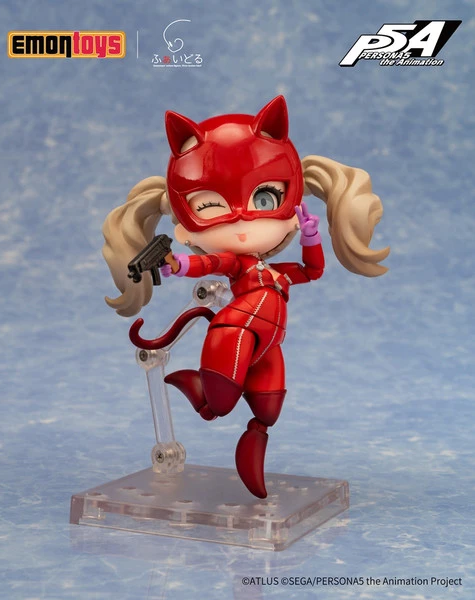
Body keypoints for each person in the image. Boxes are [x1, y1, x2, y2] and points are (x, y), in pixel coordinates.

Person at [102, 96, 389, 498]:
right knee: (218, 406)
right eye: (211, 206)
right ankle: (198, 388)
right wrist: (177, 264)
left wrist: (310, 236)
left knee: (267, 411)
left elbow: (312, 271)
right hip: (235, 330)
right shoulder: (239, 266)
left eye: (264, 198)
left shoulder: (275, 274)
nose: (241, 222)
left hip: (268, 344)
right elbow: (212, 262)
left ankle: (247, 459)